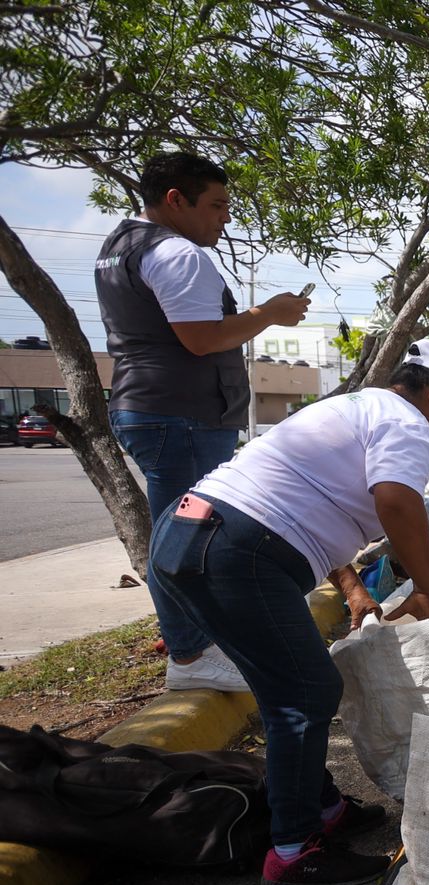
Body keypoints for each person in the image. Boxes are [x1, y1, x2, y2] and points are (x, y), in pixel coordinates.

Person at [147, 339, 429, 885]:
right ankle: (294, 851)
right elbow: (396, 503)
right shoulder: (407, 422)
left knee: (288, 685)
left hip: (186, 539)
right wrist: (427, 590)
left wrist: (351, 585)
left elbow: (306, 503)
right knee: (304, 693)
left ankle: (323, 808)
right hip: (236, 551)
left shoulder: (353, 407)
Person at [95, 151, 312, 692]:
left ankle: (198, 648)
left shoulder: (120, 244)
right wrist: (270, 314)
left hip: (153, 407)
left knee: (177, 532)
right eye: (216, 205)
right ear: (176, 200)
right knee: (184, 540)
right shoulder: (176, 254)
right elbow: (202, 337)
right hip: (179, 414)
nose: (224, 218)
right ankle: (190, 660)